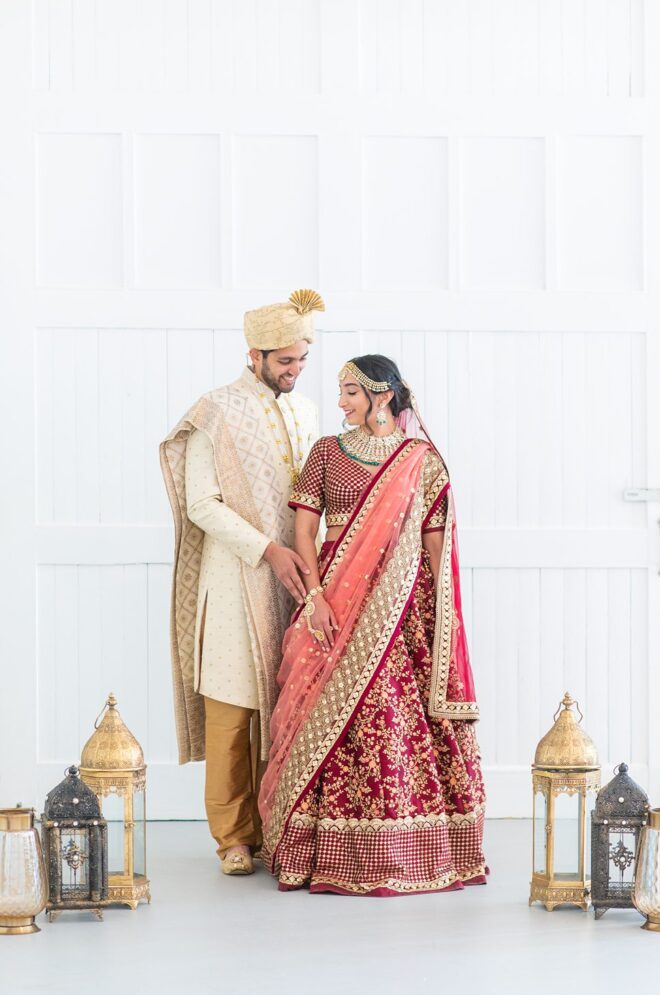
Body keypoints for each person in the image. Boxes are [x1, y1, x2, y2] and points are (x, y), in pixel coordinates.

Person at [258, 355, 486, 895]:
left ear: (382, 396)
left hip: (401, 607)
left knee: (393, 713)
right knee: (320, 708)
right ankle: (317, 847)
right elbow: (305, 532)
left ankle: (406, 846)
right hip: (333, 597)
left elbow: (434, 546)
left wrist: (438, 620)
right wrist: (313, 596)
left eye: (350, 393)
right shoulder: (326, 454)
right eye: (340, 392)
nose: (340, 402)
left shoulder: (422, 461)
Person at [160, 289, 323, 876]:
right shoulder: (216, 411)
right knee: (232, 710)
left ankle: (280, 827)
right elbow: (201, 503)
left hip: (294, 578)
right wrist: (267, 550)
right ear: (253, 354)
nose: (295, 371)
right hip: (234, 578)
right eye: (285, 361)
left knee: (290, 707)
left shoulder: (306, 413)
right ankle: (232, 836)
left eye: (303, 359)